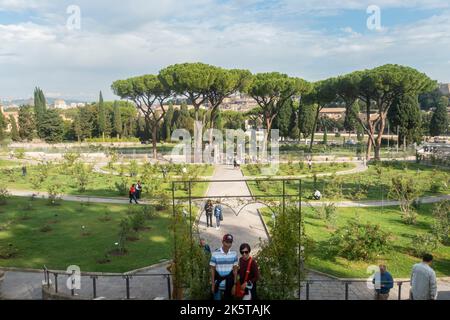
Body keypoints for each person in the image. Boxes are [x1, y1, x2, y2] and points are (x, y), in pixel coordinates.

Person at [210, 234, 239, 301]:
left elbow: (235, 270)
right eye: (227, 242)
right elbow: (212, 269)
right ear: (222, 241)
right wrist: (213, 284)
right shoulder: (215, 254)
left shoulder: (234, 254)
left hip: (230, 284)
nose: (228, 244)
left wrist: (234, 285)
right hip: (218, 283)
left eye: (230, 242)